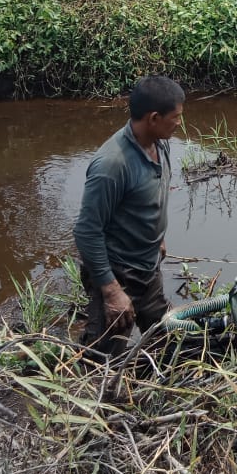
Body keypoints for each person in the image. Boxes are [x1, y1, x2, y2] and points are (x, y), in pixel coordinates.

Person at [74, 75, 185, 358]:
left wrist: (157, 238)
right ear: (154, 118)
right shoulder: (112, 165)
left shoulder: (160, 144)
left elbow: (151, 198)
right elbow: (87, 231)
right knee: (104, 355)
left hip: (148, 267)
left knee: (164, 338)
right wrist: (111, 291)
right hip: (119, 272)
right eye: (176, 117)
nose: (180, 123)